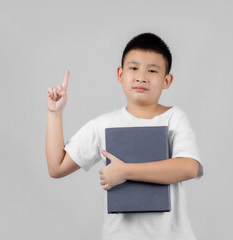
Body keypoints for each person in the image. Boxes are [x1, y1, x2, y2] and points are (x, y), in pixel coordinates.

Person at [45, 32, 204, 240]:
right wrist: (55, 113)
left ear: (167, 80)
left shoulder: (174, 118)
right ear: (120, 74)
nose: (141, 76)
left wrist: (125, 172)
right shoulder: (102, 125)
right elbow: (56, 167)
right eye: (134, 68)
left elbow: (189, 167)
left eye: (152, 70)